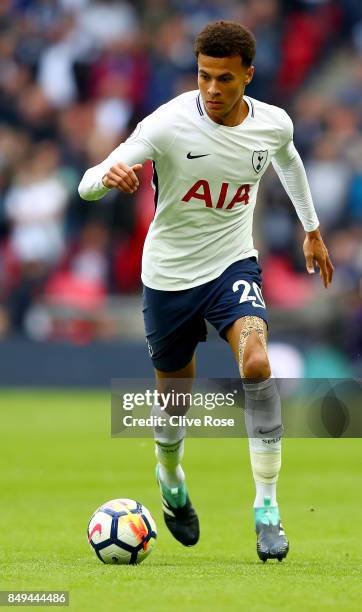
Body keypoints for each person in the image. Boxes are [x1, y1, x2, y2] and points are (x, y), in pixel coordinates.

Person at [78, 21, 334, 562]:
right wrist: (110, 180)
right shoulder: (168, 123)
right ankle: (170, 477)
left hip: (232, 265)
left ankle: (267, 509)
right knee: (175, 402)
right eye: (203, 77)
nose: (212, 90)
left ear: (248, 75)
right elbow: (88, 180)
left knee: (257, 363)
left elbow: (287, 159)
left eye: (224, 79)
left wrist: (311, 229)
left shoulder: (273, 123)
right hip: (169, 278)